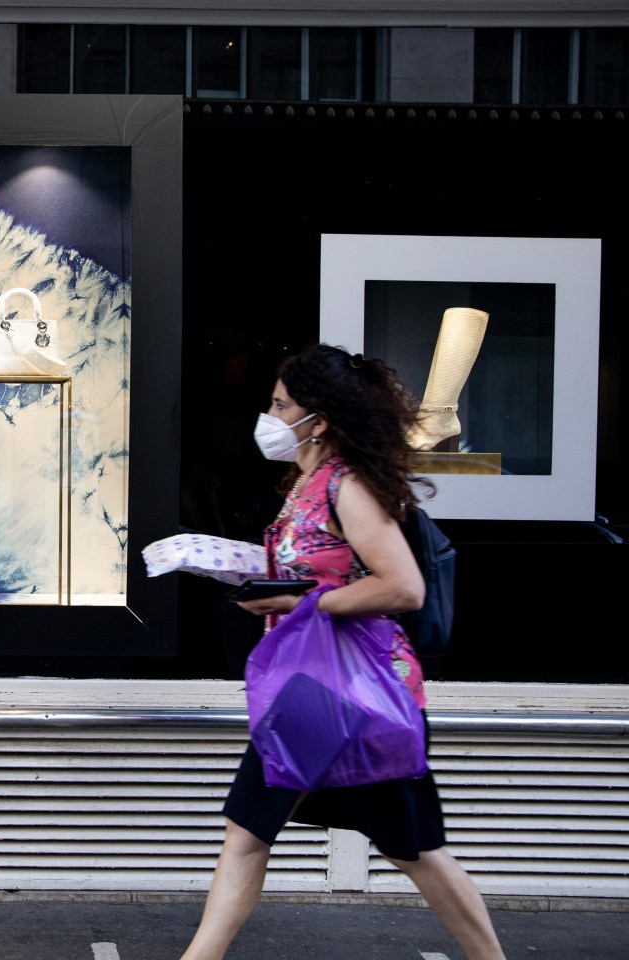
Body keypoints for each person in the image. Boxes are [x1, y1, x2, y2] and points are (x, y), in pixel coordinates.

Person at [177, 343, 506, 960]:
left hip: (357, 699)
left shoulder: (347, 487)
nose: (269, 417)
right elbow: (318, 572)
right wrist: (249, 577)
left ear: (319, 420)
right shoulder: (306, 484)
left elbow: (403, 587)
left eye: (281, 406)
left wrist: (300, 603)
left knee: (415, 848)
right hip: (308, 691)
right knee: (247, 831)